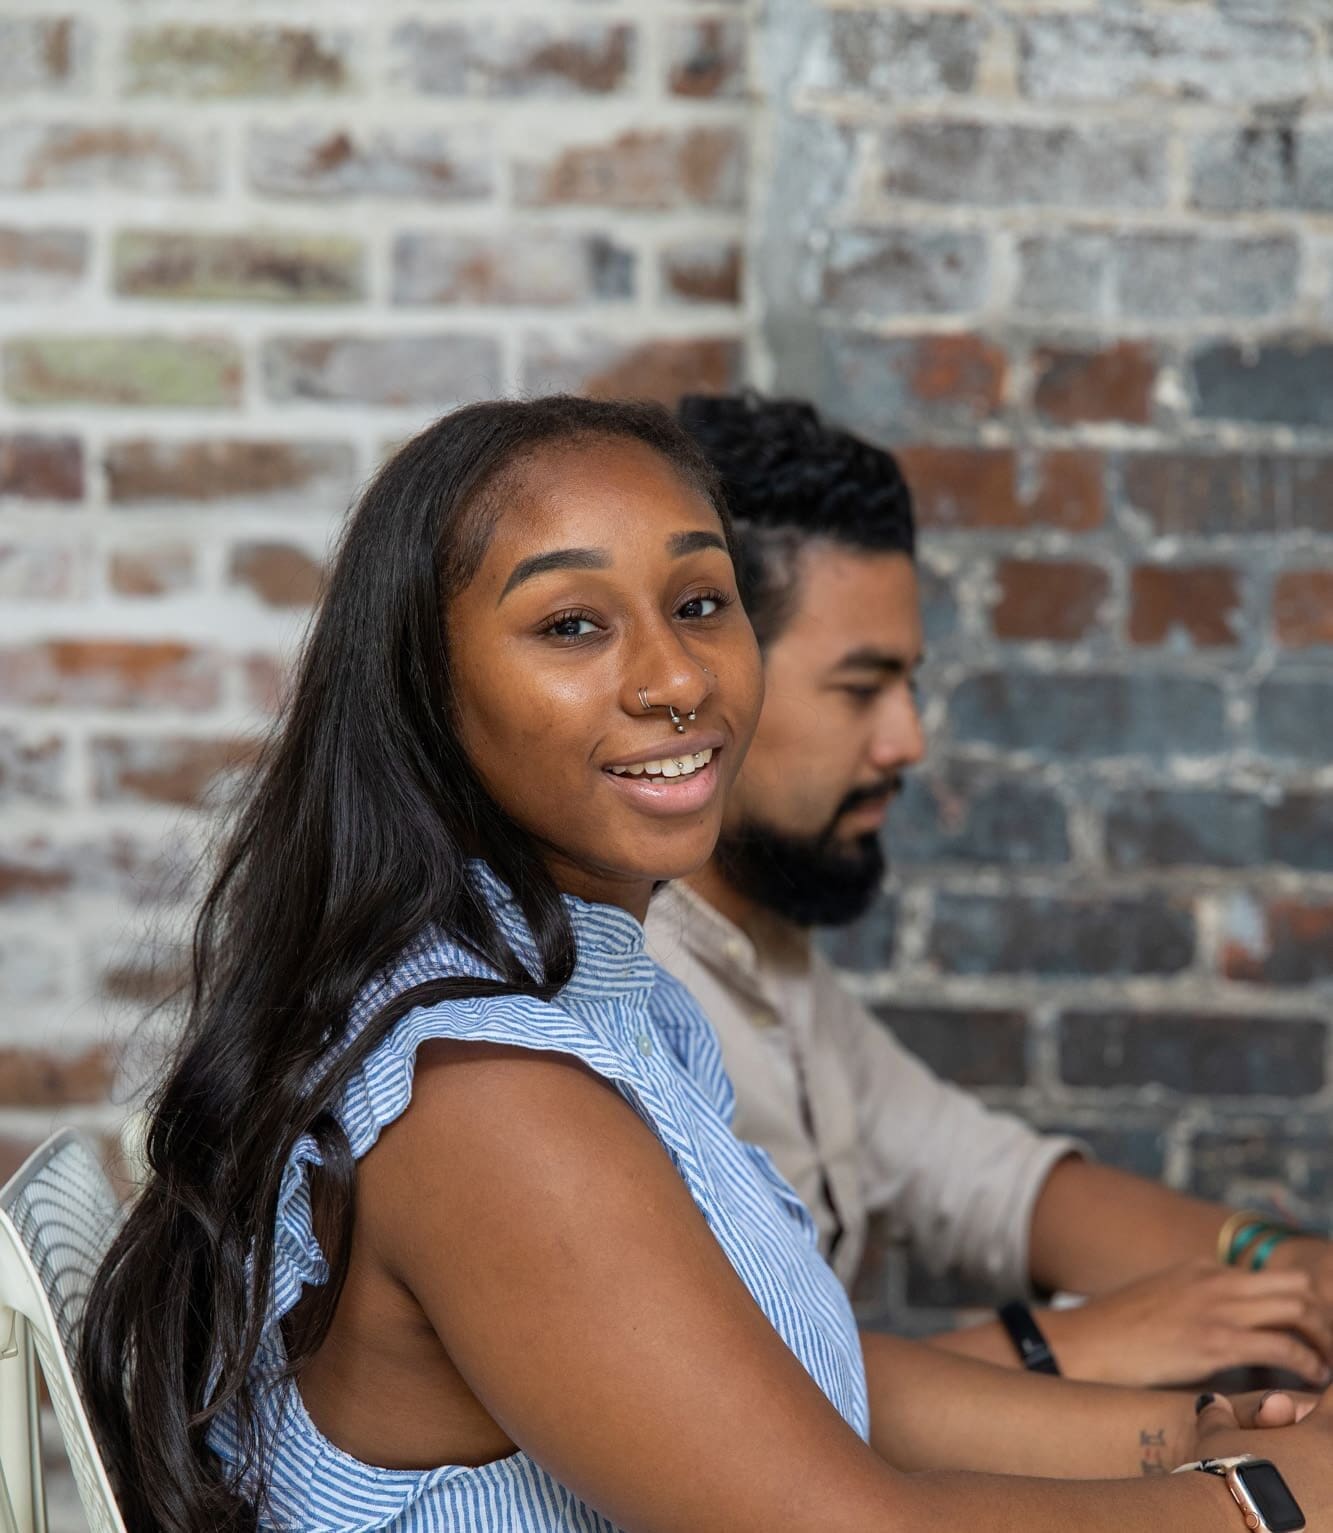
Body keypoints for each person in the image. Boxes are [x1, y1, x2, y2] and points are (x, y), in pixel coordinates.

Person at [80, 396, 1333, 1533]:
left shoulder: (588, 989)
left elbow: (784, 1383)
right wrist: (1262, 1509)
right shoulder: (487, 1100)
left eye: (698, 604)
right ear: (423, 694)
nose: (676, 678)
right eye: (571, 625)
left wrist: (1179, 1438)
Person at [647, 390, 1333, 1390]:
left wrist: (1280, 1271)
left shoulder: (762, 956)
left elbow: (990, 1185)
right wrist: (1067, 1346)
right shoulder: (590, 990)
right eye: (860, 687)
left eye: (908, 684)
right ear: (709, 675)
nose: (907, 740)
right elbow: (709, 1408)